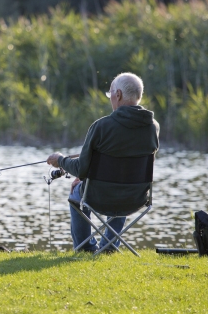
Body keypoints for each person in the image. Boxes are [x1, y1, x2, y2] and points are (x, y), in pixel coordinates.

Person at [46, 72, 159, 253]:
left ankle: (85, 249)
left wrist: (60, 160)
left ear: (119, 95)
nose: (111, 99)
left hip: (99, 196)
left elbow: (81, 168)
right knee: (121, 187)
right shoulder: (153, 127)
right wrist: (86, 178)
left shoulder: (101, 126)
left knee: (77, 194)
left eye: (111, 95)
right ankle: (108, 248)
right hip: (136, 197)